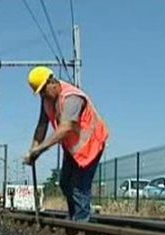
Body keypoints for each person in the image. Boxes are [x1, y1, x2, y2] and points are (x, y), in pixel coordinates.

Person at [24, 66, 109, 222]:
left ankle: (82, 223)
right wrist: (33, 150)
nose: (43, 95)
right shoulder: (47, 100)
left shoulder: (71, 97)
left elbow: (66, 128)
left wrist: (40, 149)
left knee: (80, 187)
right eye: (40, 93)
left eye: (44, 90)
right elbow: (41, 125)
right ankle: (75, 218)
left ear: (52, 82)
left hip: (91, 144)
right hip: (73, 148)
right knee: (65, 183)